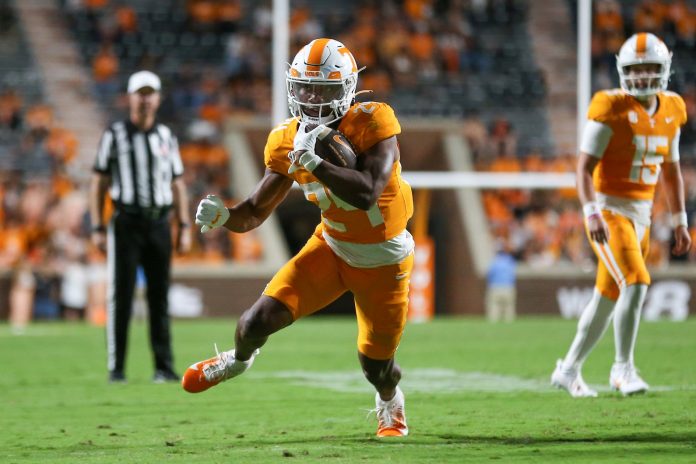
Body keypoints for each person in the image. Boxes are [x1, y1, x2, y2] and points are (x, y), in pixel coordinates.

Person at [182, 38, 414, 438]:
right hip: (331, 246)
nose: (310, 96)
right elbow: (253, 212)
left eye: (321, 88)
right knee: (254, 321)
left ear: (345, 90)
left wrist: (315, 163)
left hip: (384, 258)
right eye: (304, 86)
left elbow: (366, 193)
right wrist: (225, 215)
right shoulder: (286, 138)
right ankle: (237, 361)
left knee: (376, 366)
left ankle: (390, 401)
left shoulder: (372, 121)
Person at [551, 33, 691, 397]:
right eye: (635, 69)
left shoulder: (673, 108)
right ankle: (622, 368)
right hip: (608, 209)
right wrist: (591, 212)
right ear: (622, 71)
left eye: (650, 68)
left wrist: (679, 220)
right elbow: (583, 168)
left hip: (642, 214)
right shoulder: (610, 107)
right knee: (636, 280)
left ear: (664, 69)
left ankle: (568, 369)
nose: (643, 76)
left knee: (606, 297)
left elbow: (671, 170)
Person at [90, 70, 192, 383]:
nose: (145, 99)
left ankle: (163, 366)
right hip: (126, 222)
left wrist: (184, 225)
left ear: (158, 98)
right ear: (130, 97)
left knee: (159, 296)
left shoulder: (166, 136)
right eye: (140, 93)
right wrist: (97, 226)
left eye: (150, 93)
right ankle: (116, 368)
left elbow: (177, 184)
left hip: (159, 222)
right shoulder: (115, 134)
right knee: (121, 295)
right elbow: (98, 182)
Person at [485, 243, 516, 322]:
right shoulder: (510, 261)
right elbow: (512, 274)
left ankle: (493, 324)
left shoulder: (495, 262)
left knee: (494, 307)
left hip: (495, 287)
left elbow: (490, 275)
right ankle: (509, 325)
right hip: (508, 287)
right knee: (509, 308)